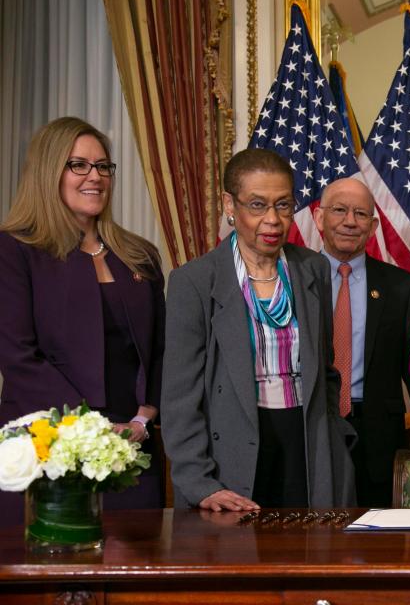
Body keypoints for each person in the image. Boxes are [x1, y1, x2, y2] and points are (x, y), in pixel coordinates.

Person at [162, 148, 355, 511]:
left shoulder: (312, 268)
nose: (273, 220)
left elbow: (326, 371)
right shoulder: (194, 282)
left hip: (308, 448)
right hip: (231, 456)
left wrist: (335, 440)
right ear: (229, 206)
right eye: (257, 205)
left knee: (310, 560)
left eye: (283, 205)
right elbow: (179, 398)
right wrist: (200, 483)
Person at [0, 117, 165, 522]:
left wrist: (144, 418)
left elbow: (162, 349)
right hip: (47, 446)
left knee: (138, 571)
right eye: (79, 165)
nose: (95, 177)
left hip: (131, 444)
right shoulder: (15, 250)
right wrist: (91, 429)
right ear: (48, 172)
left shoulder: (138, 254)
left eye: (103, 166)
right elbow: (19, 356)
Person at [313, 177, 410, 507]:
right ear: (319, 217)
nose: (349, 221)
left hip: (377, 441)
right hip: (310, 433)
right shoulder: (294, 277)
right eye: (339, 210)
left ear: (372, 227)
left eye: (360, 214)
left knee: (374, 545)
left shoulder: (400, 287)